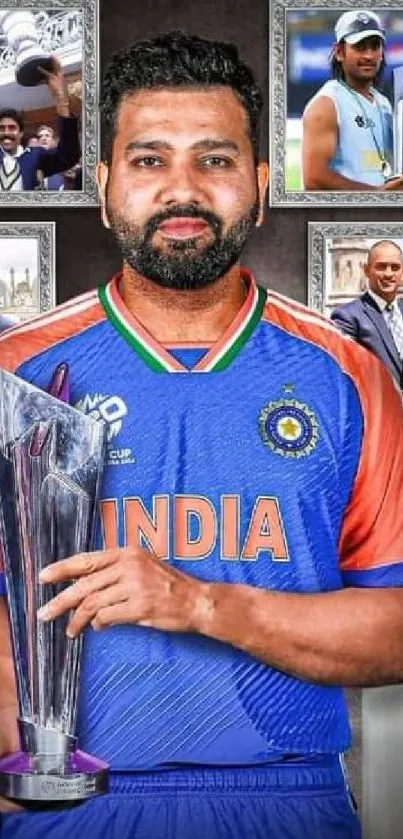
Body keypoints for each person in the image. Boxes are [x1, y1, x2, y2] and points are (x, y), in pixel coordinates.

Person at [0, 29, 403, 839]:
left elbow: (394, 628)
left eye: (214, 160)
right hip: (64, 808)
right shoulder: (17, 371)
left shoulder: (347, 376)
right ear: (106, 182)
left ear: (257, 184)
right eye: (149, 160)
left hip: (288, 802)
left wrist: (200, 602)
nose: (181, 189)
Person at [302, 11, 403, 191]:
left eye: (375, 46)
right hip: (346, 217)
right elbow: (314, 179)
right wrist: (378, 196)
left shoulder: (385, 104)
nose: (369, 56)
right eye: (360, 47)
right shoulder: (327, 103)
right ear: (339, 52)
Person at [331, 239, 403, 387]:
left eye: (395, 268)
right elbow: (343, 372)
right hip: (378, 407)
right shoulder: (348, 317)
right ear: (366, 270)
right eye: (381, 267)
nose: (388, 274)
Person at [0, 57, 79, 191]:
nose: (6, 132)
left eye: (12, 128)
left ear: (21, 134)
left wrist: (60, 99)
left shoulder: (35, 156)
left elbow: (68, 155)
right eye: (1, 128)